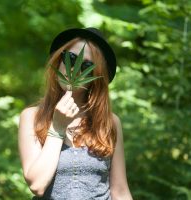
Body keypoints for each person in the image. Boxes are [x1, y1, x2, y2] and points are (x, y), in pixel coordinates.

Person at [18, 27, 133, 200]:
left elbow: (120, 191)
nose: (75, 69)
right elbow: (37, 185)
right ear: (59, 61)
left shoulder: (109, 122)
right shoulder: (32, 117)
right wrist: (57, 127)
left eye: (86, 65)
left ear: (97, 75)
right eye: (70, 58)